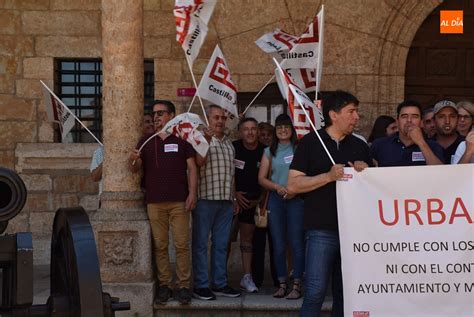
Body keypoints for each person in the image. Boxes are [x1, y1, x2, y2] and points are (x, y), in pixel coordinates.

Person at [287, 90, 372, 317]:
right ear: (334, 115)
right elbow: (293, 185)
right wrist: (327, 177)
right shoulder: (311, 143)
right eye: (351, 111)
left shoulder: (360, 145)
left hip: (353, 233)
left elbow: (373, 190)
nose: (357, 117)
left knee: (346, 294)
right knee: (315, 292)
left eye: (357, 111)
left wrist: (366, 173)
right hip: (320, 230)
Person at [128, 100, 197, 305]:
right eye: (154, 113)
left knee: (182, 245)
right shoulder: (145, 141)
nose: (156, 117)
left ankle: (184, 286)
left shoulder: (183, 139)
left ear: (172, 115)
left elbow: (192, 168)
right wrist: (133, 159)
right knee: (160, 246)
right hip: (155, 202)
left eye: (161, 113)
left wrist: (192, 193)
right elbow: (134, 168)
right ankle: (165, 286)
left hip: (179, 202)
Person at [192, 105, 240, 300]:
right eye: (216, 117)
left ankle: (219, 283)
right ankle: (201, 285)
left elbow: (233, 174)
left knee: (221, 244)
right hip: (205, 199)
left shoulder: (230, 143)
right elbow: (199, 162)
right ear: (208, 119)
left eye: (223, 118)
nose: (220, 121)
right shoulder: (201, 139)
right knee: (201, 245)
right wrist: (207, 140)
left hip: (226, 202)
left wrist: (234, 197)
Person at [258, 114, 304, 300]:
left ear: (292, 129)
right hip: (277, 200)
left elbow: (307, 173)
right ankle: (282, 284)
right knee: (277, 244)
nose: (283, 130)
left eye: (286, 126)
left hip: (297, 199)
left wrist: (294, 189)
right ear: (275, 131)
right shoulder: (270, 151)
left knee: (296, 244)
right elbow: (261, 178)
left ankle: (297, 285)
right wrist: (277, 187)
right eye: (279, 127)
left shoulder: (299, 148)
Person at [233, 117, 265, 293]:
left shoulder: (265, 150)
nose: (250, 132)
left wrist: (260, 199)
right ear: (240, 132)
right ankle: (219, 277)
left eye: (254, 128)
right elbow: (229, 174)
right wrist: (235, 195)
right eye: (246, 129)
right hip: (233, 201)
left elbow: (270, 176)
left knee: (247, 240)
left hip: (254, 202)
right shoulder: (234, 148)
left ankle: (247, 277)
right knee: (224, 241)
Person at [370, 100, 443, 166]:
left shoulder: (433, 146)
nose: (409, 120)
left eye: (414, 116)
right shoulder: (379, 145)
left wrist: (421, 143)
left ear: (421, 123)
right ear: (397, 122)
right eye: (404, 116)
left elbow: (440, 173)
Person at [252, 122, 279, 288]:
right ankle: (257, 278)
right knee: (257, 244)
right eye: (262, 135)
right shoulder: (257, 153)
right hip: (258, 205)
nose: (265, 137)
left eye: (269, 134)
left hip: (273, 201)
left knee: (276, 242)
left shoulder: (276, 153)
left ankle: (278, 278)